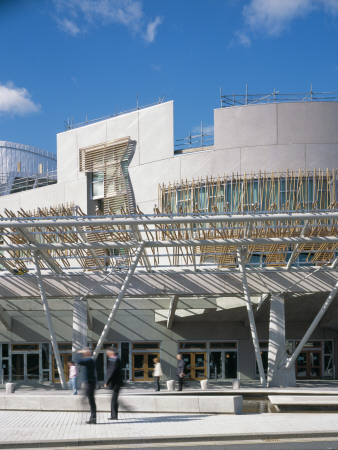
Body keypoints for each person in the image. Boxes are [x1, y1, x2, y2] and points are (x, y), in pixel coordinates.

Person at [77, 348, 97, 424]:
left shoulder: (89, 360)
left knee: (90, 400)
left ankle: (93, 418)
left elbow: (78, 361)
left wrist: (79, 353)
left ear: (88, 353)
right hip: (90, 382)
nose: (83, 353)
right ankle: (93, 418)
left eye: (85, 352)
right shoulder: (90, 360)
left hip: (90, 383)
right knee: (91, 401)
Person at [104, 348, 123, 420]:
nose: (107, 354)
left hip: (116, 383)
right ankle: (113, 415)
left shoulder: (115, 359)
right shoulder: (115, 359)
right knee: (114, 399)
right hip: (116, 383)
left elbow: (112, 371)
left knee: (114, 400)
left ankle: (114, 416)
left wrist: (107, 382)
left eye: (107, 353)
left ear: (111, 353)